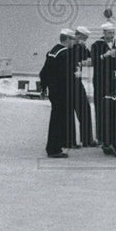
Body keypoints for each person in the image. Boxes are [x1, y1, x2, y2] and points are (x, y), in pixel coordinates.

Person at [39, 29, 77, 157]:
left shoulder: (52, 51)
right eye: (73, 39)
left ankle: (58, 144)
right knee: (59, 120)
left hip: (53, 90)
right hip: (62, 92)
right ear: (67, 39)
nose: (74, 41)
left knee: (57, 118)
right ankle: (54, 149)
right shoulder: (65, 54)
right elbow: (65, 76)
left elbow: (43, 72)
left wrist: (43, 88)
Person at [91, 22, 116, 148]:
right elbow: (94, 60)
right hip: (100, 79)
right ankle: (101, 136)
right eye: (109, 33)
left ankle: (112, 133)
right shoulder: (96, 45)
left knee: (114, 104)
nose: (112, 35)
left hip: (112, 79)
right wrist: (105, 55)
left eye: (113, 33)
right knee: (101, 106)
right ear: (104, 33)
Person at [71, 26, 96, 147]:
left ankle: (87, 140)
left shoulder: (80, 47)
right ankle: (71, 141)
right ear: (79, 35)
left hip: (77, 81)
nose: (85, 40)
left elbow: (89, 58)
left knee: (84, 109)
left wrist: (84, 47)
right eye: (84, 38)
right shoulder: (69, 46)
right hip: (70, 82)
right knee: (70, 113)